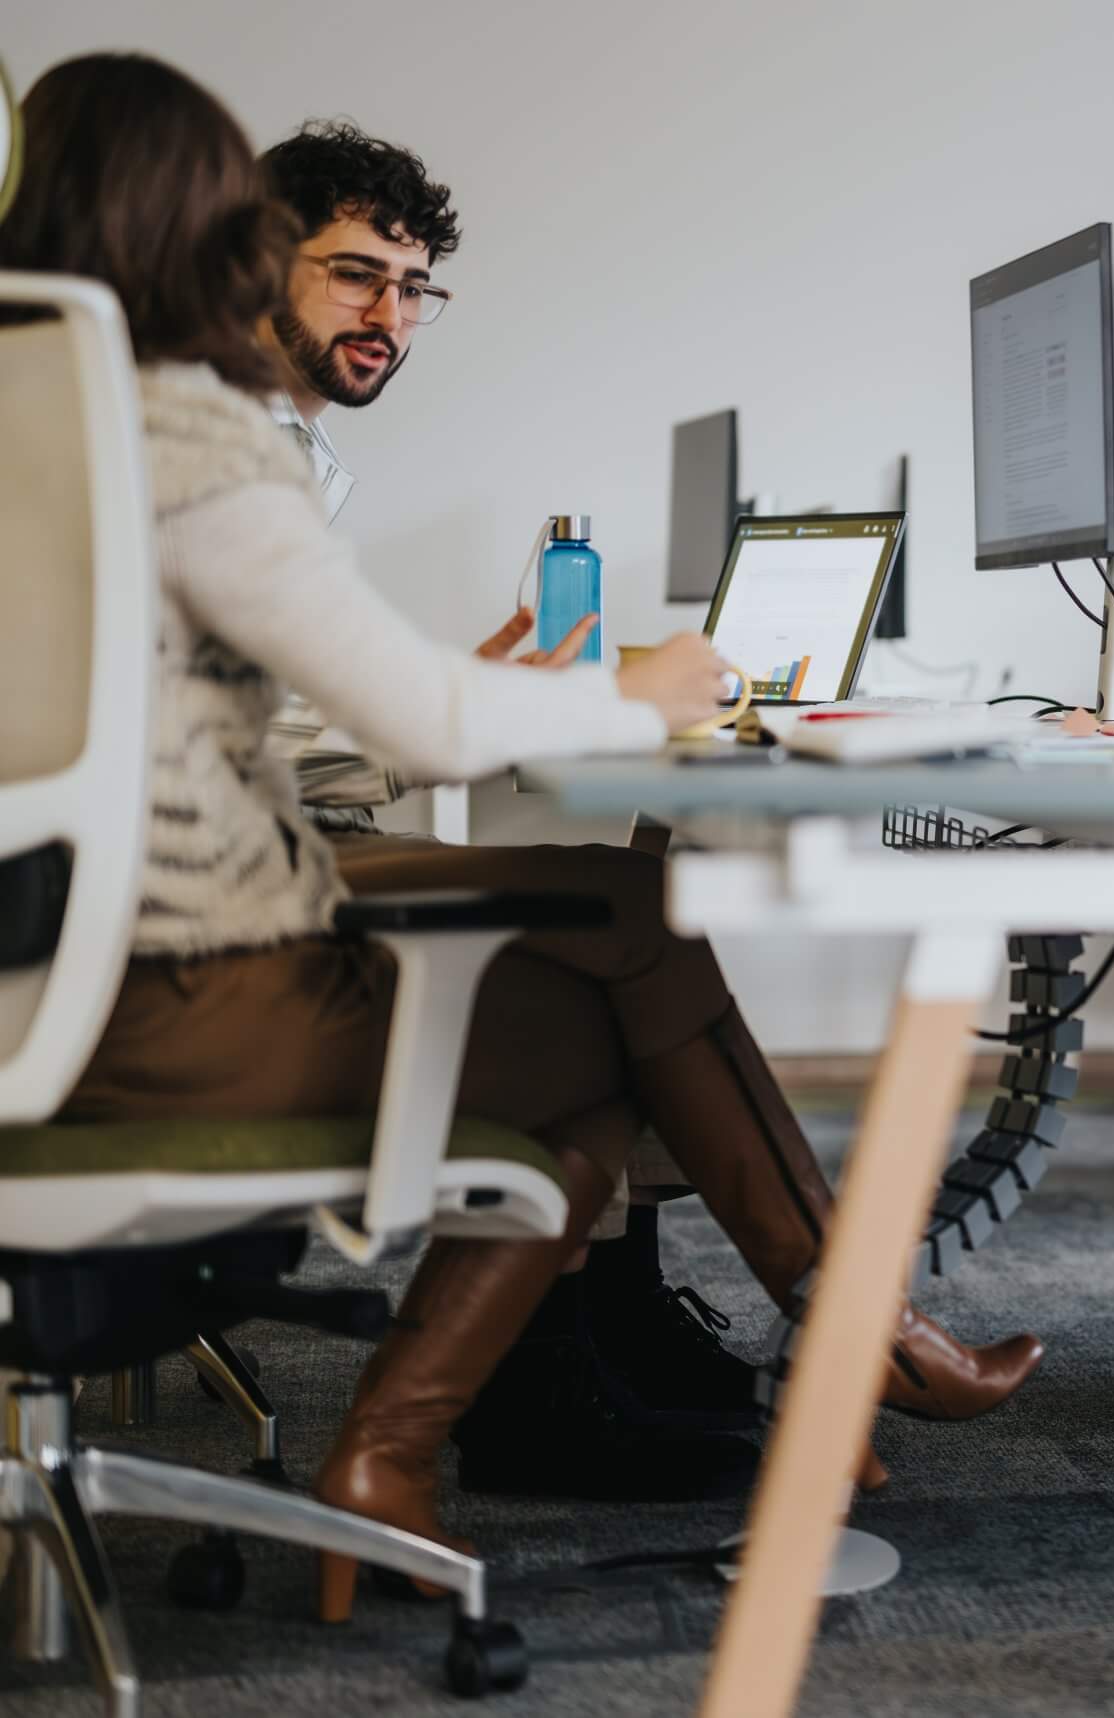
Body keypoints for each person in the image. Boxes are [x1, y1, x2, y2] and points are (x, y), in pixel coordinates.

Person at [0, 52, 1032, 1614]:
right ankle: (832, 1329)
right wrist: (644, 688)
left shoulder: (40, 412)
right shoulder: (182, 430)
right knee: (623, 970)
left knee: (606, 964)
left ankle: (427, 1454)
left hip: (56, 975)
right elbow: (415, 730)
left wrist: (496, 691)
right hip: (164, 1003)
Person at [247, 118, 1042, 1502]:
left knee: (589, 1027)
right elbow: (281, 741)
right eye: (354, 274)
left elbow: (281, 721)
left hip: (264, 854)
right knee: (628, 906)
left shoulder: (281, 456)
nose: (391, 315)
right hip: (242, 893)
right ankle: (860, 1334)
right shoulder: (223, 454)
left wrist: (479, 685)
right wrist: (614, 697)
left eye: (414, 285)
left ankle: (390, 1451)